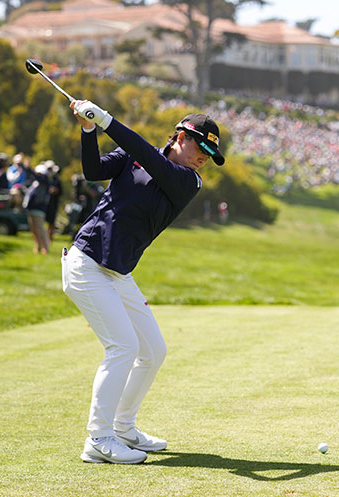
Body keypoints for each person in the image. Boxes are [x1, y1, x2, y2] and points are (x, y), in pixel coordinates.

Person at [61, 99, 225, 465]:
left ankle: (123, 427)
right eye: (202, 147)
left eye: (210, 154)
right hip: (86, 263)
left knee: (153, 351)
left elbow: (147, 154)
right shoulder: (135, 154)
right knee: (123, 347)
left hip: (118, 272)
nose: (204, 158)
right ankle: (98, 439)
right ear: (181, 137)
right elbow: (92, 170)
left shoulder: (188, 181)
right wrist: (89, 131)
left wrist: (104, 119)